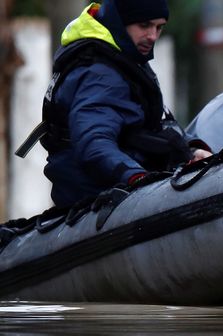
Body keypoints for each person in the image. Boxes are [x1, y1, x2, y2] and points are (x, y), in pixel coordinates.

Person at [38, 0, 210, 209]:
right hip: (99, 199)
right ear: (119, 22)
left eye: (159, 27)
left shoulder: (123, 58)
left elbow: (152, 123)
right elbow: (94, 142)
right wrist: (136, 178)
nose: (153, 36)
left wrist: (190, 150)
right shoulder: (100, 73)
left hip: (121, 194)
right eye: (145, 25)